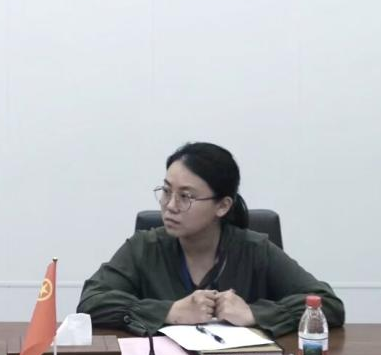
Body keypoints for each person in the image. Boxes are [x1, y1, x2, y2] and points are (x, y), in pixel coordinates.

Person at [78, 142, 344, 337]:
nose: (170, 205)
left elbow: (328, 304)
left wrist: (255, 314)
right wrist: (169, 311)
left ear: (222, 206)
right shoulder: (144, 248)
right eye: (167, 191)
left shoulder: (254, 250)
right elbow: (91, 302)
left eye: (186, 196)